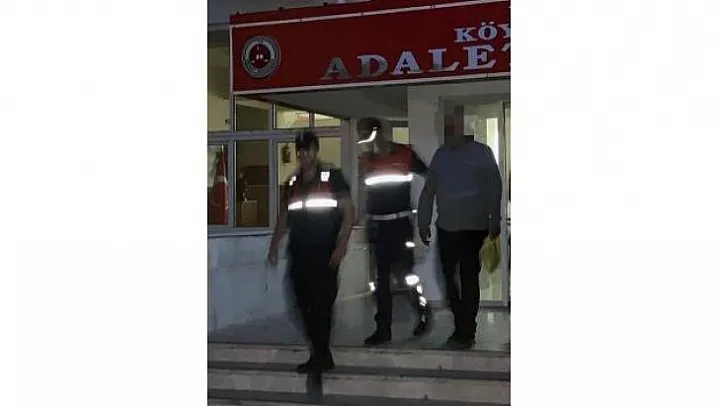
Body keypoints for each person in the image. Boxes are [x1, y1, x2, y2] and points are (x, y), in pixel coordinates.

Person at [267, 130, 355, 373]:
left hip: (325, 253)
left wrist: (342, 244)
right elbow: (284, 217)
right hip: (300, 253)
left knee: (322, 305)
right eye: (300, 151)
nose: (304, 155)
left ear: (316, 151)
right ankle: (321, 354)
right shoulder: (293, 183)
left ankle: (320, 356)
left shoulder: (332, 177)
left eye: (308, 150)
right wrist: (274, 244)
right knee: (301, 303)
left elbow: (348, 212)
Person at [417, 125, 502, 350]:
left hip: (473, 228)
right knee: (448, 277)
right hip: (447, 227)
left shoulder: (482, 153)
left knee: (468, 278)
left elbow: (494, 186)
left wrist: (495, 218)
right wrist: (423, 220)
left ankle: (466, 330)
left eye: (451, 131)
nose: (447, 136)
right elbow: (429, 190)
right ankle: (461, 324)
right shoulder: (442, 155)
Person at [357, 117, 432, 346]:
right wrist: (363, 222)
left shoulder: (404, 154)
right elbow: (364, 194)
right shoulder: (366, 161)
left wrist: (425, 212)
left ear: (377, 132)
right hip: (377, 228)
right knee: (380, 282)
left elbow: (429, 176)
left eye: (365, 134)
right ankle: (383, 328)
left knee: (405, 276)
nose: (363, 140)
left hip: (399, 226)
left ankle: (422, 311)